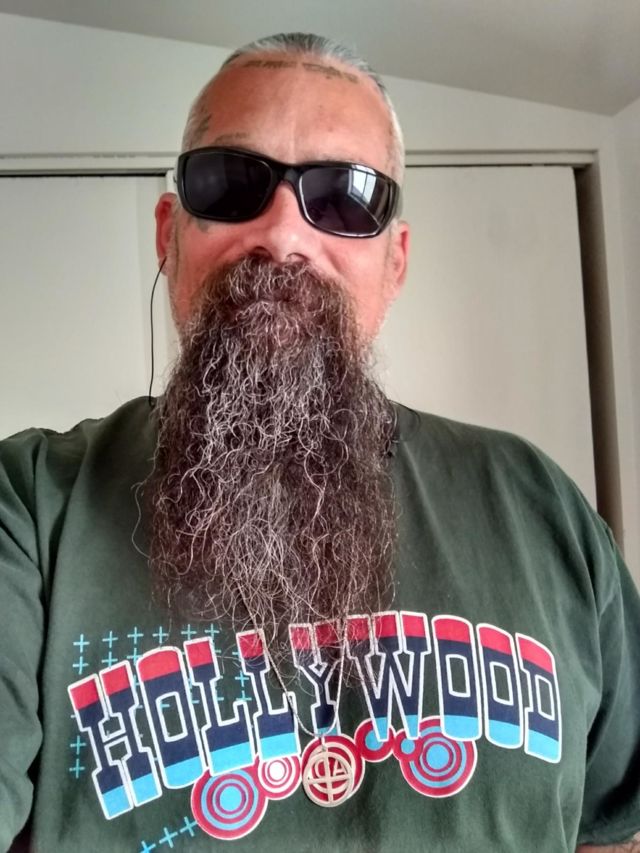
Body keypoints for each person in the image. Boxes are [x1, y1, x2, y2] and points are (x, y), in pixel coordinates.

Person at [1, 32, 639, 853]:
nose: (283, 233)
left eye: (344, 197)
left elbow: (613, 828)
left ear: (395, 262)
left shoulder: (542, 507)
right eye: (231, 182)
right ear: (170, 233)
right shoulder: (31, 505)